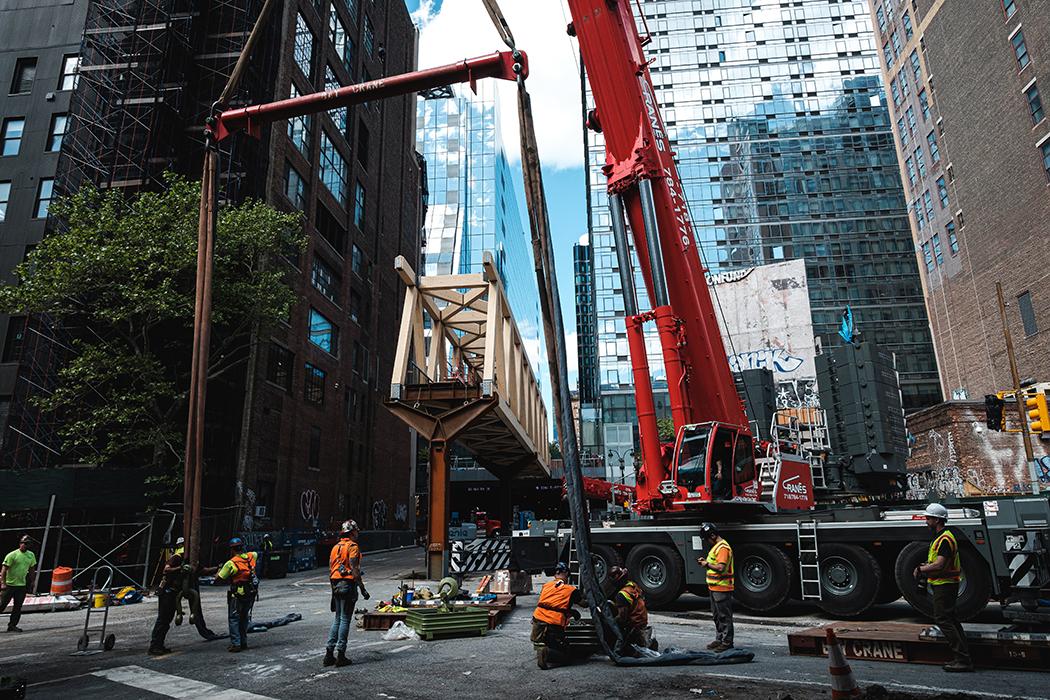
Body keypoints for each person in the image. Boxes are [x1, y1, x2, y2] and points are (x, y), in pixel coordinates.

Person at [914, 503, 973, 672]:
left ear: (937, 519)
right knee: (951, 619)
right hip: (945, 584)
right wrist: (927, 565)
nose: (926, 521)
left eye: (928, 518)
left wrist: (920, 569)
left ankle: (962, 659)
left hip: (945, 585)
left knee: (943, 619)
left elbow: (940, 565)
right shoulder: (943, 537)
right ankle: (964, 656)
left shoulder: (945, 539)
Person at [325, 520, 369, 667]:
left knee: (337, 619)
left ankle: (329, 654)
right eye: (356, 531)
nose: (357, 533)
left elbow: (331, 570)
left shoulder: (335, 548)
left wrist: (333, 590)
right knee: (345, 619)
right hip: (347, 585)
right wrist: (362, 589)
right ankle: (341, 655)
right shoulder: (352, 547)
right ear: (351, 532)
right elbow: (355, 570)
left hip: (335, 585)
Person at [531, 562, 584, 670]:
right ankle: (547, 652)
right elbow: (584, 604)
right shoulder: (571, 590)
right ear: (565, 573)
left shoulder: (546, 586)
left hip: (538, 622)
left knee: (552, 643)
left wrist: (571, 611)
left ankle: (545, 650)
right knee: (567, 656)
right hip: (553, 625)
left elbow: (552, 603)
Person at [214, 537, 258, 652]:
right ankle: (243, 642)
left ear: (232, 550)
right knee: (244, 618)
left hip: (237, 596)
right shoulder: (251, 557)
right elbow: (254, 553)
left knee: (234, 619)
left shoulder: (231, 563)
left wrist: (219, 569)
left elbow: (218, 579)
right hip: (250, 593)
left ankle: (236, 644)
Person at [697, 522, 734, 651]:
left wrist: (706, 564)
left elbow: (720, 567)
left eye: (707, 539)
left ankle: (727, 642)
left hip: (722, 587)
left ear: (712, 535)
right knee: (717, 616)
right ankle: (720, 639)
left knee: (724, 616)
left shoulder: (723, 548)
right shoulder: (717, 547)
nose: (707, 542)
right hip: (714, 587)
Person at [148, 536, 185, 655]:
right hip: (167, 593)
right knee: (163, 620)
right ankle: (155, 646)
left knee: (166, 620)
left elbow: (202, 570)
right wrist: (180, 568)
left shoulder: (186, 559)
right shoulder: (176, 558)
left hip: (173, 594)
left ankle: (159, 645)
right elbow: (166, 570)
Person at [607, 565, 653, 655]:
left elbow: (622, 618)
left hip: (633, 626)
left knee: (609, 625)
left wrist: (610, 621)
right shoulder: (633, 586)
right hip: (642, 622)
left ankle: (618, 649)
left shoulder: (622, 595)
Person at [1, 535, 37, 633]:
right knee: (2, 605)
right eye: (24, 543)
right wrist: (3, 583)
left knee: (18, 607)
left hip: (21, 585)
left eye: (27, 544)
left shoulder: (31, 555)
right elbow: (3, 571)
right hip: (9, 585)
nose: (25, 546)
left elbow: (31, 569)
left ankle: (12, 625)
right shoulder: (12, 555)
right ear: (20, 544)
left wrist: (33, 581)